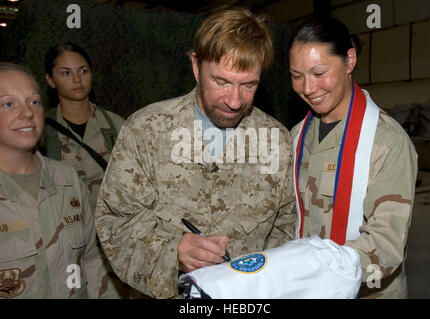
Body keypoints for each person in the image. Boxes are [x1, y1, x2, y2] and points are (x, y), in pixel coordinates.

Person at [95, 8, 297, 298]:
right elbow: (116, 221)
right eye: (221, 81)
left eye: (248, 85)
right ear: (195, 66)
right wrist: (171, 252)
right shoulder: (146, 130)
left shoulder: (276, 141)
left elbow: (286, 230)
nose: (235, 101)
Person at [289, 15, 418, 298]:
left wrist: (311, 270)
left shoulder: (386, 142)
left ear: (349, 60)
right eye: (297, 76)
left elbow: (386, 243)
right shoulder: (298, 137)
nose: (308, 89)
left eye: (319, 73)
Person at [0, 62, 123, 298]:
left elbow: (90, 259)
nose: (27, 113)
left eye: (34, 102)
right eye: (8, 103)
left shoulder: (66, 178)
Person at [42, 43, 124, 210]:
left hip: (112, 228)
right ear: (50, 80)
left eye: (83, 71)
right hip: (64, 227)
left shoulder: (115, 125)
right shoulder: (41, 131)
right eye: (66, 73)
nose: (77, 79)